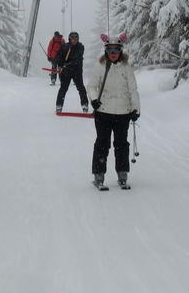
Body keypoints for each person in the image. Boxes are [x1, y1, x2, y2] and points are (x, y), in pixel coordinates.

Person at [88, 34, 140, 188]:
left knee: (121, 144)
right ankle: (99, 175)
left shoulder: (126, 67)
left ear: (120, 51)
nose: (113, 53)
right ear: (106, 51)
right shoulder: (100, 66)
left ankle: (122, 174)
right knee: (102, 144)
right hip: (103, 112)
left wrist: (135, 109)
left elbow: (133, 89)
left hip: (123, 113)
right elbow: (91, 86)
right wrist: (94, 100)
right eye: (110, 50)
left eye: (116, 50)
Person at [53, 31, 90, 113]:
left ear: (78, 39)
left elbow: (77, 58)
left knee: (81, 88)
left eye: (75, 38)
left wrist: (66, 65)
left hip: (77, 71)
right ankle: (59, 105)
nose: (73, 40)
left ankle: (85, 105)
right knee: (63, 88)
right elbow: (59, 57)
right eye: (72, 38)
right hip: (66, 72)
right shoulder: (64, 46)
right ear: (69, 38)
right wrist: (59, 65)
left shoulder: (80, 46)